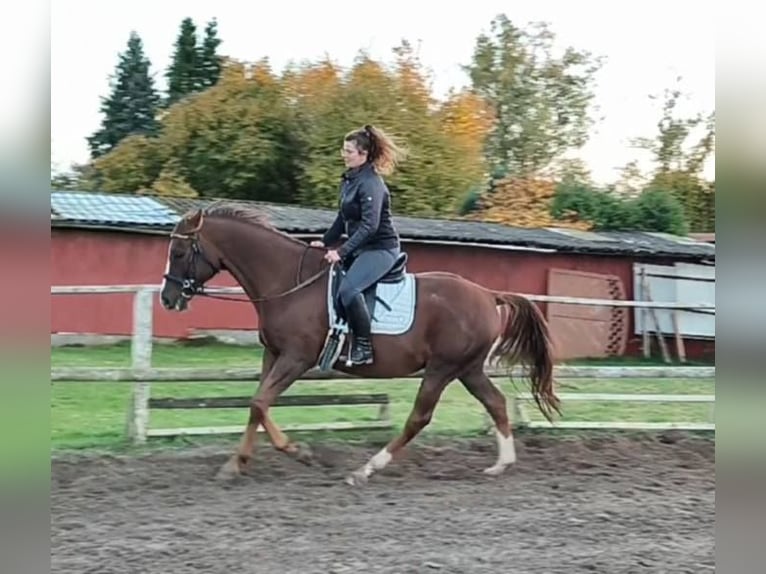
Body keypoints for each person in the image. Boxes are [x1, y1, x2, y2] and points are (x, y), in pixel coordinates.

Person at [310, 124, 406, 366]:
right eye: (344, 150)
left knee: (349, 290)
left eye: (349, 151)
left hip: (381, 249)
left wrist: (340, 251)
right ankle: (338, 334)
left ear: (363, 155)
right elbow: (343, 218)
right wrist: (325, 240)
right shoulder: (350, 180)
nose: (344, 154)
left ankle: (364, 347)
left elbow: (369, 226)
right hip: (361, 248)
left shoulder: (371, 183)